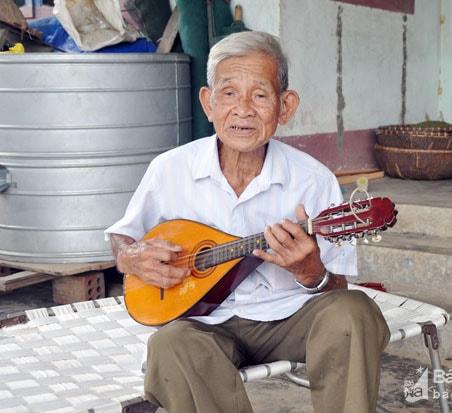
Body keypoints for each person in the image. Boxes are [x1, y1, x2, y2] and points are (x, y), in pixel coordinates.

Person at [106, 31, 389, 412]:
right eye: (228, 93)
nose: (242, 110)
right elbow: (123, 236)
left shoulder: (313, 179)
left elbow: (336, 286)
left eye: (259, 95)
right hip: (203, 324)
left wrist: (310, 272)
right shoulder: (169, 169)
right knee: (168, 345)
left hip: (289, 318)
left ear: (285, 106)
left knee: (355, 311)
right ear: (208, 102)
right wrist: (131, 256)